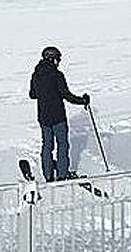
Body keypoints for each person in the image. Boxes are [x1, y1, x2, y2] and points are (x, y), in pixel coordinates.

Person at [29, 45, 90, 181]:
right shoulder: (57, 75)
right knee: (62, 145)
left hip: (43, 117)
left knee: (47, 145)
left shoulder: (36, 75)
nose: (59, 62)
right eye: (58, 59)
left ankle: (48, 175)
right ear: (53, 59)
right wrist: (83, 100)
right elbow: (66, 95)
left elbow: (32, 95)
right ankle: (62, 174)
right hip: (58, 117)